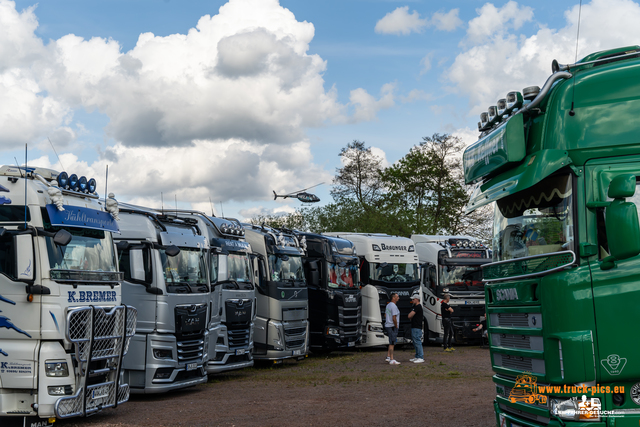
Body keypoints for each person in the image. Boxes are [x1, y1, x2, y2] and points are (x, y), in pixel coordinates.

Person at [408, 292, 424, 363]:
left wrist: (411, 315)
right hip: (415, 326)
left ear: (417, 299)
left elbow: (410, 316)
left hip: (417, 327)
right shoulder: (416, 307)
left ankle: (420, 356)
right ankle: (417, 356)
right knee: (415, 342)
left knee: (417, 342)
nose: (412, 301)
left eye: (413, 299)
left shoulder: (417, 307)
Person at [384, 292, 400, 365]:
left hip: (387, 325)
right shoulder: (393, 306)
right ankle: (392, 359)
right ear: (393, 298)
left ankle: (388, 356)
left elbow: (385, 315)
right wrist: (396, 326)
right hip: (392, 326)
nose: (398, 298)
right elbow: (394, 317)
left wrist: (388, 319)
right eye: (397, 297)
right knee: (392, 343)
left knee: (391, 341)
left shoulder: (388, 305)